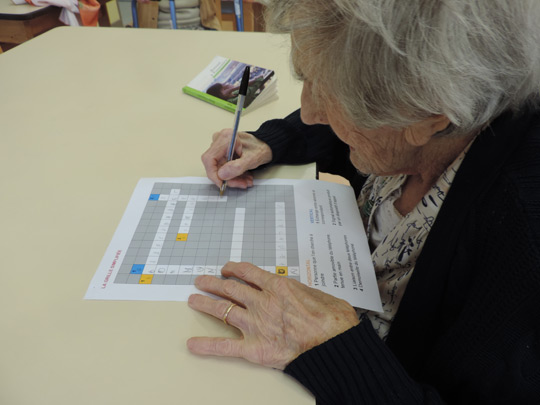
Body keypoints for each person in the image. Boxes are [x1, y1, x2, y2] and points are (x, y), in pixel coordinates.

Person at [187, 0, 540, 403]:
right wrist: (276, 141)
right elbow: (355, 117)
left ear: (429, 115)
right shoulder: (434, 112)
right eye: (308, 78)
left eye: (326, 91)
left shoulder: (520, 243)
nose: (309, 111)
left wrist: (336, 351)